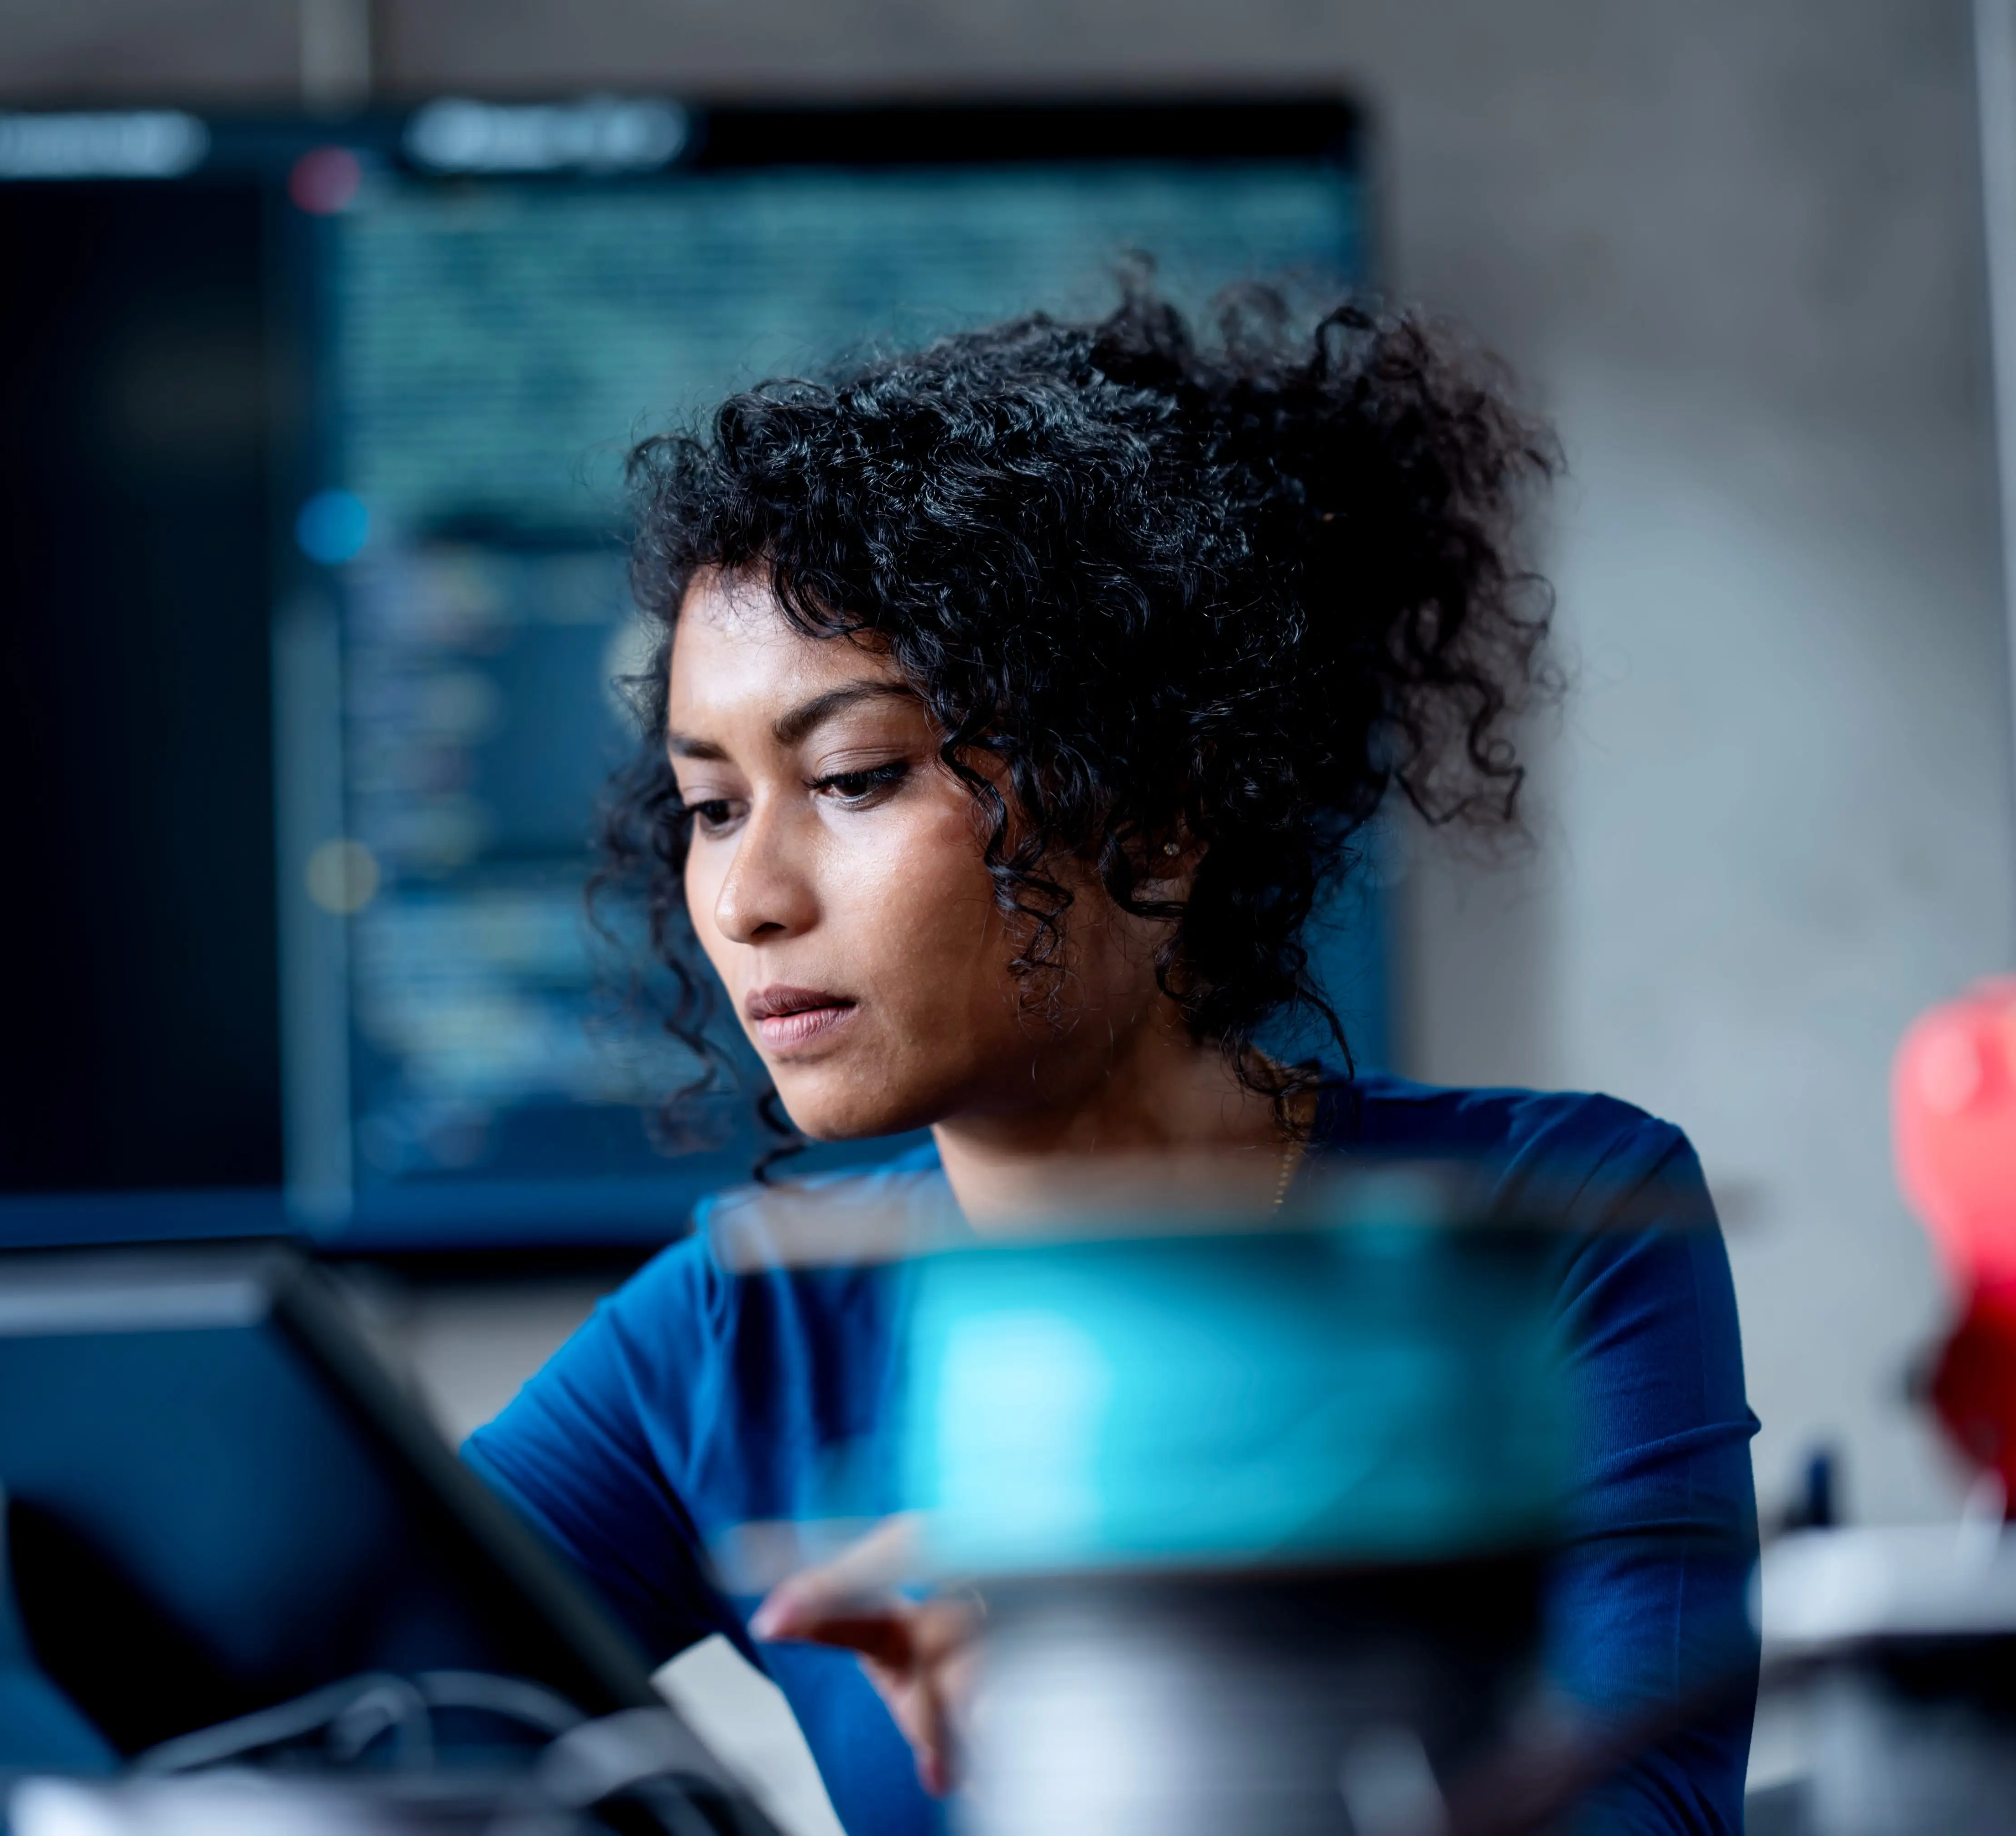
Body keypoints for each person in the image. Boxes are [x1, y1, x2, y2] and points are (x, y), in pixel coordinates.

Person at [461, 285, 1759, 1836]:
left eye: (855, 777)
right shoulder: (735, 1331)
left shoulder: (1554, 1224)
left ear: (1150, 810)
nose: (747, 899)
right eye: (711, 807)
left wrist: (1142, 1701)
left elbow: (1648, 1821)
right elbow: (294, 1694)